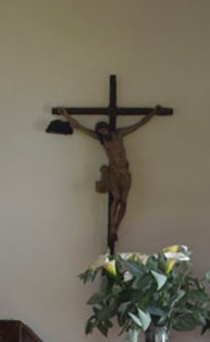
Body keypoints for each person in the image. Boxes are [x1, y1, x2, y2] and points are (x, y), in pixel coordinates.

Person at [53, 106, 162, 250]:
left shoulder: (119, 134)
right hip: (114, 173)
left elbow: (139, 124)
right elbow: (79, 127)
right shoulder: (102, 140)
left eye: (103, 130)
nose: (103, 133)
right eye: (100, 132)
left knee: (123, 201)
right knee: (116, 199)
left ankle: (117, 226)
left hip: (124, 172)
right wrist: (66, 115)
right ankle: (112, 227)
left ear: (108, 128)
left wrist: (153, 113)